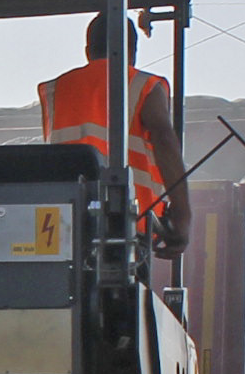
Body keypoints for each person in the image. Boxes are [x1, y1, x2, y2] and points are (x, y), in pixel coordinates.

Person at [38, 16, 194, 257]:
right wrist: (183, 215)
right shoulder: (145, 86)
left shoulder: (56, 89)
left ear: (88, 51)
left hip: (61, 225)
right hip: (126, 225)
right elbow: (165, 141)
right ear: (132, 50)